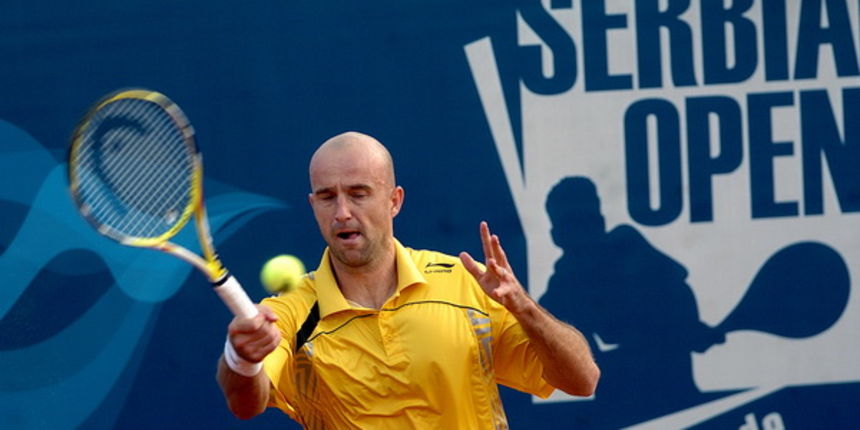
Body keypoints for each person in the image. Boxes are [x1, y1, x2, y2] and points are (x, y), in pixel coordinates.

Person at [216, 132, 599, 429]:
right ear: (313, 205)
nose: (343, 212)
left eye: (359, 193)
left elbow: (583, 380)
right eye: (327, 197)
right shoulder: (288, 313)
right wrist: (243, 358)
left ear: (394, 200)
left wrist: (524, 308)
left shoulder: (465, 284)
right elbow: (245, 404)